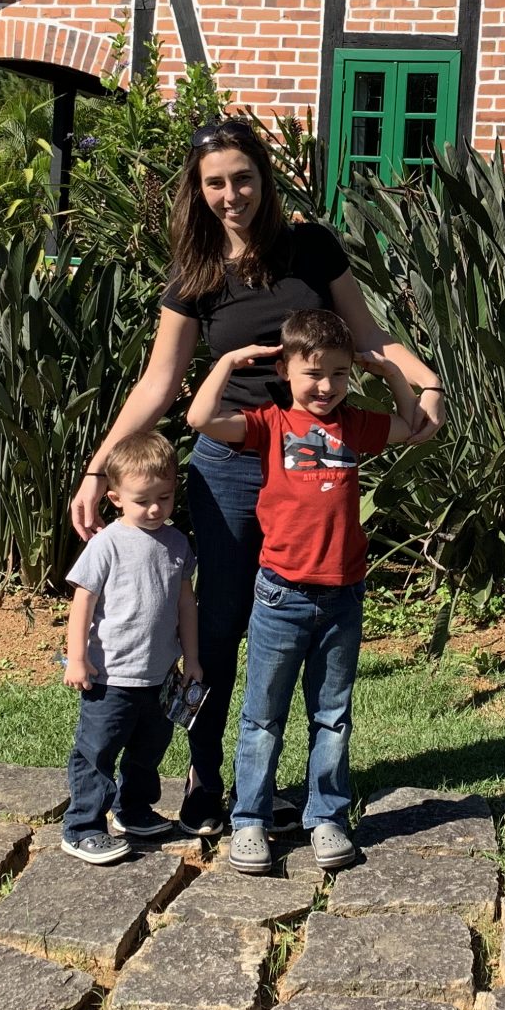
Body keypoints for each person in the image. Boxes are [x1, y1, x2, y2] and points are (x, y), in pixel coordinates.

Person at [68, 118, 445, 838]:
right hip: (233, 468)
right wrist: (98, 466)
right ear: (198, 189)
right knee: (218, 629)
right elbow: (159, 383)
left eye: (242, 178)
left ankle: (268, 787)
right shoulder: (196, 273)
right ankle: (208, 785)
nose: (230, 194)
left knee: (302, 626)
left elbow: (367, 336)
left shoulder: (310, 247)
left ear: (264, 177)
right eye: (215, 182)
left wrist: (426, 382)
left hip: (313, 465)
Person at [187, 309, 426, 872]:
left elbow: (412, 425)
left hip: (342, 597)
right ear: (287, 372)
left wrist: (388, 370)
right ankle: (249, 818)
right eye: (313, 374)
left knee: (332, 715)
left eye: (339, 374)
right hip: (280, 595)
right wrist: (226, 361)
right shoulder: (269, 424)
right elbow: (201, 418)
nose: (326, 386)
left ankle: (327, 817)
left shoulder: (356, 425)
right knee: (262, 716)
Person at [61, 430, 200, 864]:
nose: (155, 508)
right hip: (110, 676)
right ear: (115, 497)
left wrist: (191, 658)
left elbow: (185, 602)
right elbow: (82, 602)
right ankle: (82, 826)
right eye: (143, 500)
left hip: (158, 674)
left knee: (149, 749)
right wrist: (78, 657)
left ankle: (133, 809)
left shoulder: (177, 544)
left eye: (165, 497)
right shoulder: (107, 544)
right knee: (97, 751)